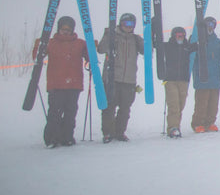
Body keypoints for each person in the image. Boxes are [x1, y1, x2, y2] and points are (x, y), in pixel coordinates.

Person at [38, 16, 88, 147]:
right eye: (63, 29)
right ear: (59, 29)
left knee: (71, 112)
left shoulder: (80, 43)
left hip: (74, 84)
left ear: (72, 30)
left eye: (68, 29)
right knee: (54, 112)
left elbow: (90, 56)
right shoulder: (51, 43)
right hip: (56, 84)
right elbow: (37, 55)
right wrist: (39, 45)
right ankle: (51, 138)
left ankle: (67, 137)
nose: (65, 31)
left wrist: (91, 49)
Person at [97, 12, 144, 142]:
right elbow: (101, 49)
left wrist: (150, 35)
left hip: (129, 80)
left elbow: (146, 50)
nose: (128, 26)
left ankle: (119, 132)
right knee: (109, 107)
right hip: (112, 78)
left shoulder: (135, 39)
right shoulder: (113, 36)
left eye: (131, 24)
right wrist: (108, 34)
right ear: (121, 23)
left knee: (125, 109)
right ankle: (108, 132)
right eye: (126, 23)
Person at [190, 16, 220, 133]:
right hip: (203, 77)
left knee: (213, 103)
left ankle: (210, 122)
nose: (210, 28)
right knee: (202, 102)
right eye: (208, 25)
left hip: (215, 76)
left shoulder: (218, 42)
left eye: (212, 25)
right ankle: (198, 123)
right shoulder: (197, 41)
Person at [162, 26, 195, 138]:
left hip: (183, 80)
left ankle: (176, 126)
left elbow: (198, 46)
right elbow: (156, 44)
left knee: (181, 104)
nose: (180, 37)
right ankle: (172, 127)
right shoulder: (168, 46)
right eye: (178, 35)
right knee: (174, 104)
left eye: (182, 35)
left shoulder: (187, 46)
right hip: (170, 80)